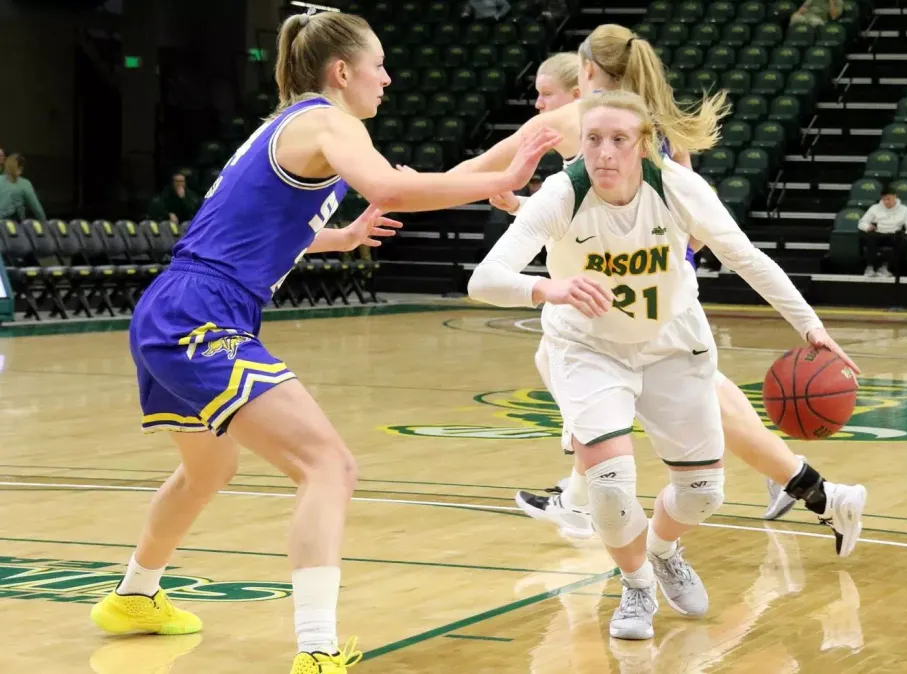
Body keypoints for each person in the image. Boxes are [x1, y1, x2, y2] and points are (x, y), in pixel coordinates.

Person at [88, 10, 558, 673]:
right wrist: (499, 183)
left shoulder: (295, 125)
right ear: (343, 72)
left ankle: (135, 596)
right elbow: (394, 186)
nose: (388, 79)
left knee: (210, 469)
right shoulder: (327, 122)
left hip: (176, 307)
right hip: (201, 314)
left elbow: (253, 220)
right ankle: (317, 650)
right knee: (329, 467)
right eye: (380, 65)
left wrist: (340, 236)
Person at [467, 90, 861, 640]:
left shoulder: (676, 187)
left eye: (618, 140)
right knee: (607, 481)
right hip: (589, 349)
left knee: (703, 493)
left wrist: (811, 327)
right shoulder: (562, 193)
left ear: (645, 145)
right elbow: (483, 280)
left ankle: (662, 548)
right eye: (592, 140)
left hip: (673, 345)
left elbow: (745, 257)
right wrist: (549, 288)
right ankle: (636, 587)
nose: (603, 153)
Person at [857, 187, 907, 279]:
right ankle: (870, 267)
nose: (886, 202)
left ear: (895, 197)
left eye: (888, 199)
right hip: (878, 233)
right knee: (869, 236)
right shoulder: (875, 208)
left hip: (893, 235)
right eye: (884, 199)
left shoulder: (904, 210)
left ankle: (885, 268)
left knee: (902, 240)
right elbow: (862, 223)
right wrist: (868, 227)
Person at [0, 153, 48, 222]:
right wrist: (44, 223)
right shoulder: (25, 183)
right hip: (13, 225)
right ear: (20, 168)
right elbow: (36, 208)